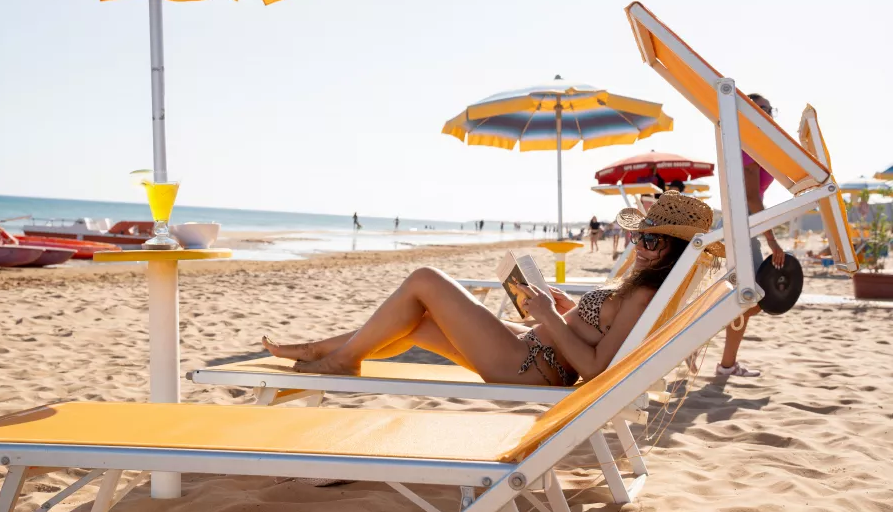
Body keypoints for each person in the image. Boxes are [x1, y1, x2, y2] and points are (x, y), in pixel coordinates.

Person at [263, 192, 723, 386]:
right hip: (531, 354)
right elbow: (597, 337)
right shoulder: (645, 287)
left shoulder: (645, 296)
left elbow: (598, 370)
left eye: (651, 240)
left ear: (676, 250)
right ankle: (316, 351)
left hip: (529, 368)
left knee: (425, 279)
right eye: (638, 236)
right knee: (418, 325)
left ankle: (340, 360)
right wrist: (564, 310)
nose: (639, 247)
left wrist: (546, 317)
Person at [713, 92, 786, 378]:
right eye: (760, 109)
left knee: (746, 300)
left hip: (741, 226)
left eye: (769, 110)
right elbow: (753, 199)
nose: (766, 114)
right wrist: (773, 240)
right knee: (753, 297)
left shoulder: (752, 144)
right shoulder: (747, 145)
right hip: (741, 227)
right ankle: (710, 350)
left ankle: (726, 364)